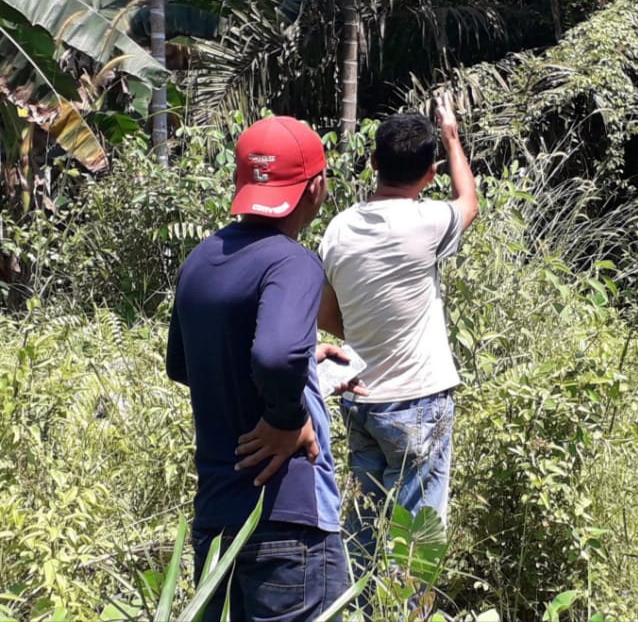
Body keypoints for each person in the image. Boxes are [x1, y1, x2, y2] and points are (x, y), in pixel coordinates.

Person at [167, 116, 355, 622]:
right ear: (316, 187)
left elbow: (186, 365)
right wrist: (285, 417)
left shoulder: (200, 261)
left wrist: (305, 365)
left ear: (241, 183)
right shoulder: (292, 262)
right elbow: (275, 356)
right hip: (287, 525)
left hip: (216, 525)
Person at [317, 95, 479, 581]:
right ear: (430, 175)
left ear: (372, 163)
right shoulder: (427, 222)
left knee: (363, 524)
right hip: (419, 403)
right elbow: (468, 201)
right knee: (416, 536)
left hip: (360, 399)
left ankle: (356, 609)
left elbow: (327, 311)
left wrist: (369, 342)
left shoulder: (338, 229)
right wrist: (451, 135)